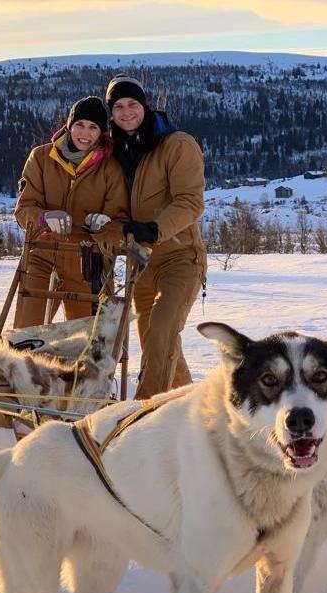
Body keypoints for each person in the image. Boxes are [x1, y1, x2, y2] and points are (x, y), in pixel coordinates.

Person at [104, 75, 207, 399]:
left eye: (132, 104)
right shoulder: (114, 151)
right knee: (156, 342)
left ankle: (142, 414)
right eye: (118, 106)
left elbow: (190, 201)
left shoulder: (177, 144)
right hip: (141, 264)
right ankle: (193, 412)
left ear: (144, 106)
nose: (126, 112)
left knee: (162, 331)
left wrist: (156, 229)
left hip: (180, 257)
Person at [13, 96, 129, 328]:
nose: (84, 133)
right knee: (28, 332)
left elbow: (120, 221)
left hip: (88, 259)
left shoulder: (111, 168)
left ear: (102, 132)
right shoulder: (42, 157)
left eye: (93, 127)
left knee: (85, 337)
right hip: (43, 253)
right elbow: (24, 209)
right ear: (69, 125)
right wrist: (43, 218)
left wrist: (105, 225)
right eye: (79, 125)